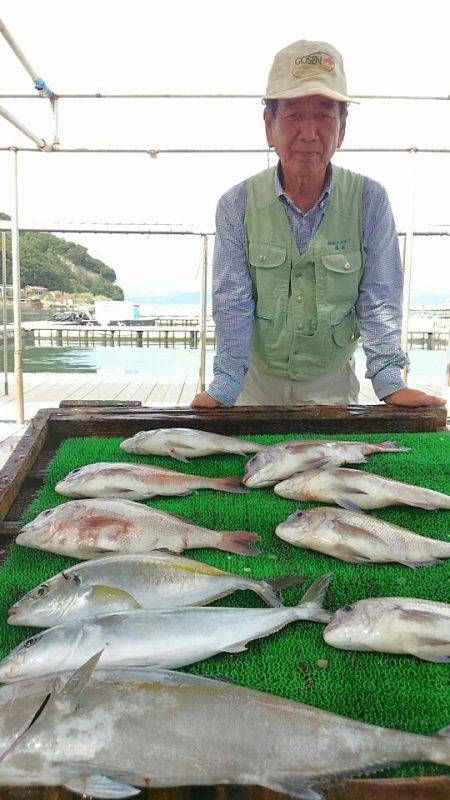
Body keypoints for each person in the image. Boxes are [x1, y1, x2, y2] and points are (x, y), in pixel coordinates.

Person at [191, 40, 444, 409]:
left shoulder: (370, 201)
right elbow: (233, 303)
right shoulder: (236, 205)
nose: (309, 132)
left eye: (324, 116)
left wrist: (390, 382)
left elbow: (379, 298)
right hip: (254, 387)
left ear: (342, 128)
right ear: (269, 126)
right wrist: (225, 386)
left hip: (333, 387)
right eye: (294, 115)